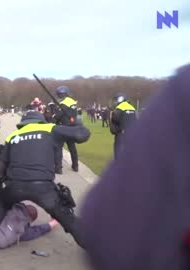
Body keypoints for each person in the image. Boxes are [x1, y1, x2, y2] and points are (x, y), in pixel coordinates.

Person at [80, 66, 190, 270]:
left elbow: (106, 230)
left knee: (126, 175)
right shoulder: (131, 107)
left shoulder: (182, 90)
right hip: (135, 133)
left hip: (125, 138)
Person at [0, 109, 90, 254]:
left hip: (14, 186)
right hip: (43, 188)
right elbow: (83, 135)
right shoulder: (50, 128)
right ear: (40, 120)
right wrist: (75, 123)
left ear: (23, 123)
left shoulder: (13, 136)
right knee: (69, 219)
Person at [53, 86, 79, 173]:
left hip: (63, 127)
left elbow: (58, 116)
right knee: (72, 148)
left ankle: (58, 168)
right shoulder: (73, 102)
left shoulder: (63, 103)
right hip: (72, 127)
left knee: (59, 147)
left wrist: (54, 119)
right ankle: (75, 166)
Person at [109, 94, 136, 159]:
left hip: (121, 133)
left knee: (118, 151)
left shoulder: (120, 107)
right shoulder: (132, 108)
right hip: (132, 133)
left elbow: (115, 119)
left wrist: (111, 118)